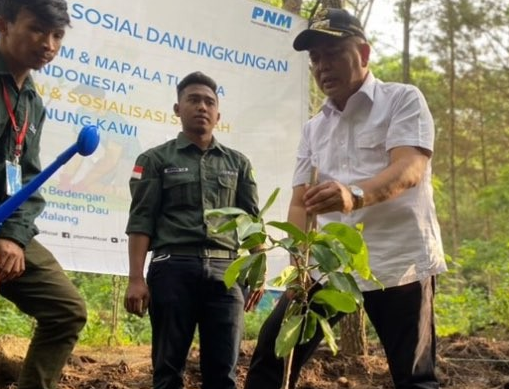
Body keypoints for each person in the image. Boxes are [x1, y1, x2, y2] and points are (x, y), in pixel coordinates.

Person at [244, 8, 447, 389]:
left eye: (333, 53)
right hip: (328, 266)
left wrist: (353, 196)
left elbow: (409, 168)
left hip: (398, 261)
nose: (323, 66)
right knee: (273, 357)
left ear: (364, 54)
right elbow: (301, 202)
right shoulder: (313, 129)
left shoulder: (402, 100)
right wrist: (298, 269)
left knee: (415, 378)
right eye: (315, 58)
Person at [124, 71, 264, 389]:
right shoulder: (155, 159)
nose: (202, 106)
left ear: (218, 115)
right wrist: (135, 278)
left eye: (209, 102)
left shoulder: (238, 163)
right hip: (173, 268)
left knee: (223, 373)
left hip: (226, 273)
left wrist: (258, 267)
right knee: (168, 370)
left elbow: (251, 220)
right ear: (177, 109)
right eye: (193, 100)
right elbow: (141, 219)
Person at [0, 0, 87, 388]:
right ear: (5, 24)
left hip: (7, 227)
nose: (48, 44)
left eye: (57, 36)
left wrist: (12, 236)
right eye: (37, 29)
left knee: (66, 309)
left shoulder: (31, 100)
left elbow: (27, 179)